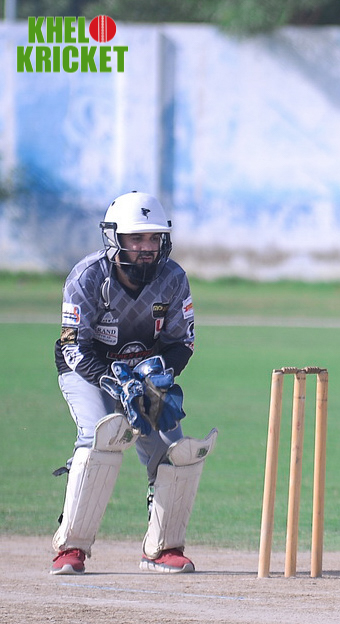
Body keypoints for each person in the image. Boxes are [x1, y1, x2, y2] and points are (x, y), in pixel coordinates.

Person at [51, 191, 217, 575]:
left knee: (175, 451)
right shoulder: (88, 277)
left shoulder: (173, 277)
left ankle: (163, 547)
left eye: (153, 238)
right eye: (136, 238)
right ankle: (71, 548)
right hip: (89, 371)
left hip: (145, 373)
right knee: (100, 437)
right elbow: (73, 345)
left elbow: (182, 343)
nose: (146, 247)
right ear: (115, 238)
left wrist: (154, 374)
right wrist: (113, 380)